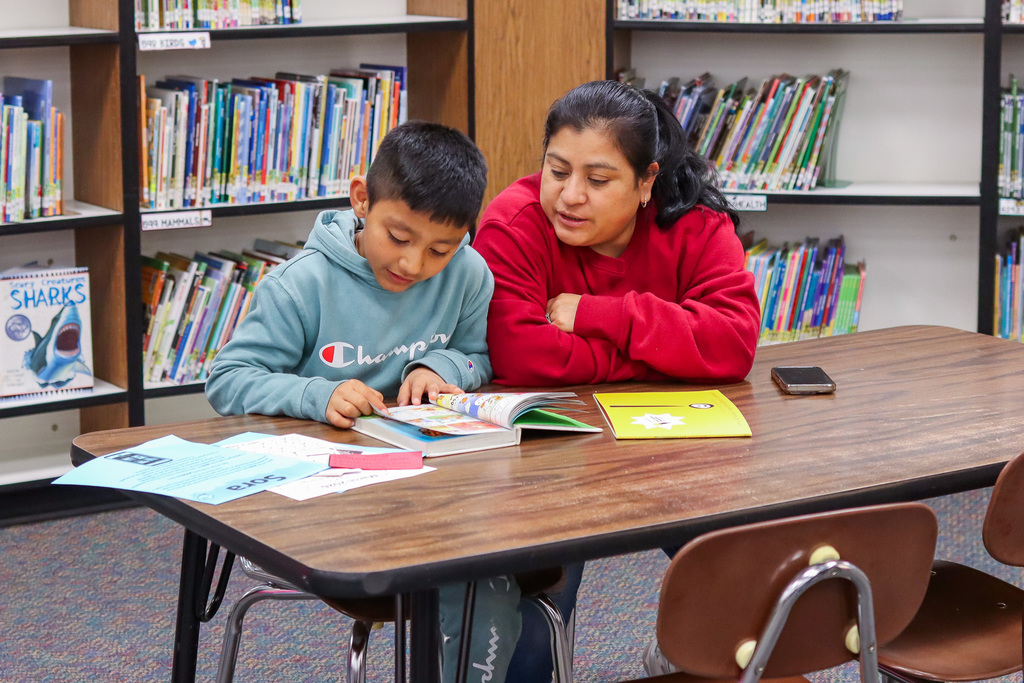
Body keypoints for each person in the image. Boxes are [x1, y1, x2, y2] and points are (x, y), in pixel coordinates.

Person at [206, 121, 519, 683]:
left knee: (489, 579)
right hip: (327, 499)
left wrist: (442, 366)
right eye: (398, 238)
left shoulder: (469, 275)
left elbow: (479, 357)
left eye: (440, 248)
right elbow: (227, 379)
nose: (413, 265)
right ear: (361, 200)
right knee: (459, 572)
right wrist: (316, 393)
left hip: (431, 493)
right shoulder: (300, 286)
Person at [473, 79, 762, 680]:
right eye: (557, 170)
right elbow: (520, 353)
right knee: (534, 605)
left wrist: (595, 314)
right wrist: (662, 352)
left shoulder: (696, 227)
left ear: (646, 182)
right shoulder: (515, 220)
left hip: (673, 452)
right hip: (552, 457)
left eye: (598, 180)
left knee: (746, 579)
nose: (569, 197)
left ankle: (681, 657)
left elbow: (732, 344)